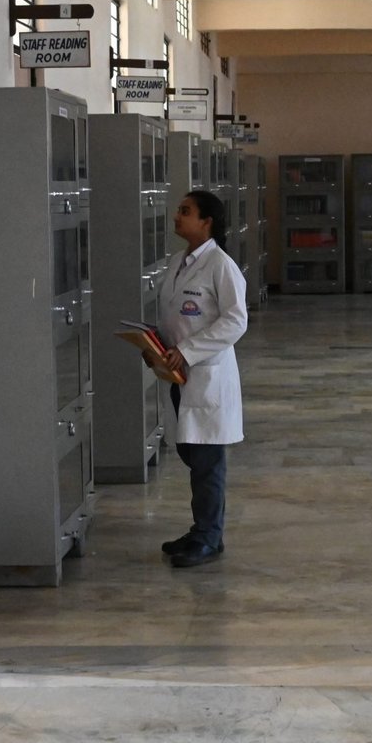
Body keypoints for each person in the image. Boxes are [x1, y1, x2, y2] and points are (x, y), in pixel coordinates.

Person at [151, 189, 248, 568]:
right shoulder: (179, 261)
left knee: (207, 462)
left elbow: (236, 320)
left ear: (206, 221)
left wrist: (189, 350)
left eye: (186, 211)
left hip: (206, 375)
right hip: (179, 374)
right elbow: (175, 316)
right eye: (179, 210)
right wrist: (155, 347)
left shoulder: (220, 265)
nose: (177, 216)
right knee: (192, 455)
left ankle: (209, 536)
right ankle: (201, 529)